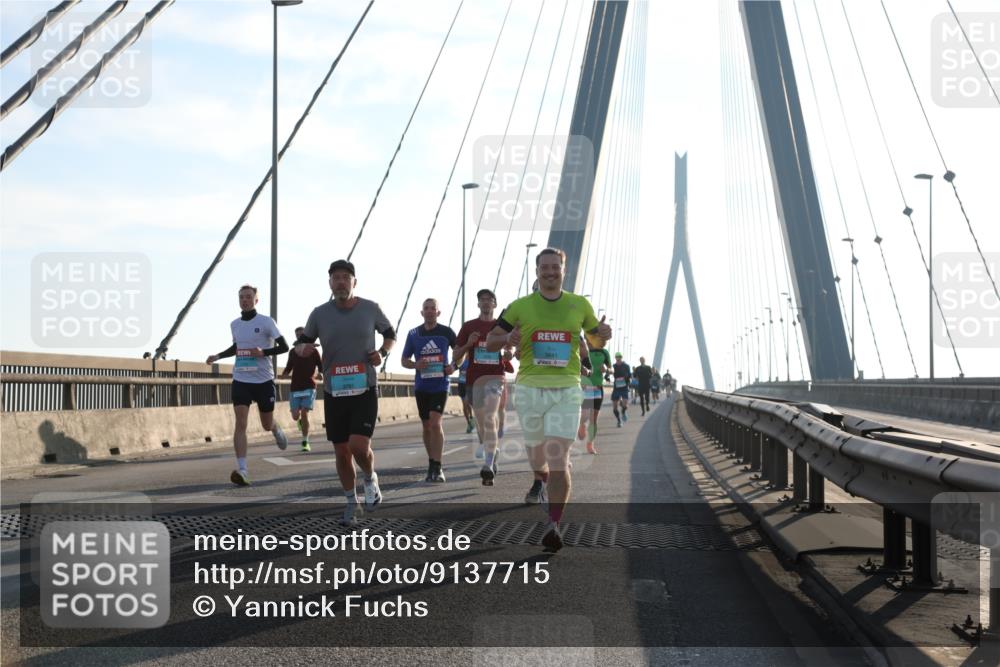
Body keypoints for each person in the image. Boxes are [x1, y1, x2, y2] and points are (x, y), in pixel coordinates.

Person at [486, 248, 612, 551]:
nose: (550, 272)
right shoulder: (519, 306)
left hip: (567, 389)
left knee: (559, 457)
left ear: (564, 270)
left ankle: (554, 524)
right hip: (530, 390)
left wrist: (603, 334)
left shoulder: (579, 304)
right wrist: (507, 339)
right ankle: (542, 481)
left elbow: (594, 339)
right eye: (545, 267)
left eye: (556, 267)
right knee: (537, 459)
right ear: (537, 271)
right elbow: (490, 341)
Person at [294, 260, 396, 526]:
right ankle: (352, 503)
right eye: (336, 278)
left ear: (354, 282)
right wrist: (301, 349)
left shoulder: (370, 308)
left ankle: (370, 478)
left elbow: (390, 334)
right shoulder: (319, 313)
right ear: (330, 283)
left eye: (345, 278)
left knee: (358, 446)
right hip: (335, 391)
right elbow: (303, 343)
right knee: (341, 451)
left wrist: (382, 352)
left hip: (364, 388)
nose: (340, 282)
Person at [206, 284, 289, 486]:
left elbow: (284, 347)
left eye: (248, 297)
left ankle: (275, 428)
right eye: (242, 297)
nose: (245, 300)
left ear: (256, 300)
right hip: (241, 379)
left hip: (263, 380)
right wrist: (218, 356)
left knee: (266, 424)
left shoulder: (266, 322)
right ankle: (243, 470)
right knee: (240, 422)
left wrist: (264, 352)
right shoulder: (235, 324)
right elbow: (237, 347)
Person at [455, 288, 508, 486]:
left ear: (495, 304)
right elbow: (456, 357)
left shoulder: (501, 326)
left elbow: (511, 348)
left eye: (489, 299)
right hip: (474, 379)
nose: (486, 302)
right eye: (482, 300)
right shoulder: (469, 326)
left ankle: (488, 464)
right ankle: (493, 451)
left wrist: (510, 353)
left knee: (489, 416)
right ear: (478, 304)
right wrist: (468, 344)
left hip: (495, 377)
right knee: (480, 421)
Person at [400, 298, 457, 483]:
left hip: (441, 385)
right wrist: (415, 365)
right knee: (426, 426)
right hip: (422, 386)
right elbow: (404, 360)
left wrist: (454, 366)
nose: (430, 311)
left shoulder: (447, 332)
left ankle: (438, 467)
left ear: (438, 312)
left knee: (435, 423)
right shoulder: (414, 333)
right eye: (427, 308)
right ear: (422, 312)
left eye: (433, 308)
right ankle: (431, 462)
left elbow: (460, 353)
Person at [281, 327, 323, 452]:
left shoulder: (313, 351)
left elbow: (321, 366)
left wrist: (321, 374)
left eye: (301, 334)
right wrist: (284, 374)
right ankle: (301, 422)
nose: (299, 336)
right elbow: (289, 366)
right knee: (295, 416)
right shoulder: (293, 352)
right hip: (295, 387)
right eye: (297, 335)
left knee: (304, 412)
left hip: (309, 386)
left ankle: (305, 441)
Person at [579, 332, 612, 454]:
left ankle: (590, 444)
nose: (589, 340)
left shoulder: (604, 352)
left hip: (598, 388)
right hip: (585, 387)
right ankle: (581, 424)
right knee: (585, 415)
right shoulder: (582, 350)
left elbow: (611, 369)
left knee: (594, 419)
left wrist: (607, 369)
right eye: (587, 338)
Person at [610, 353, 631, 427]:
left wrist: (626, 378)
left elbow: (629, 375)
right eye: (617, 357)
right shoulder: (613, 366)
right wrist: (607, 376)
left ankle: (623, 412)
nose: (618, 358)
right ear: (615, 358)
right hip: (616, 388)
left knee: (625, 405)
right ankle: (619, 421)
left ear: (621, 358)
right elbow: (608, 373)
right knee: (615, 407)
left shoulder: (626, 366)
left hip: (624, 387)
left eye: (619, 357)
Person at [457, 359, 474, 433]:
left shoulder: (472, 359)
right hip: (461, 383)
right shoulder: (461, 359)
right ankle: (469, 422)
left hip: (469, 383)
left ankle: (472, 417)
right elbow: (455, 365)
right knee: (465, 405)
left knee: (467, 403)